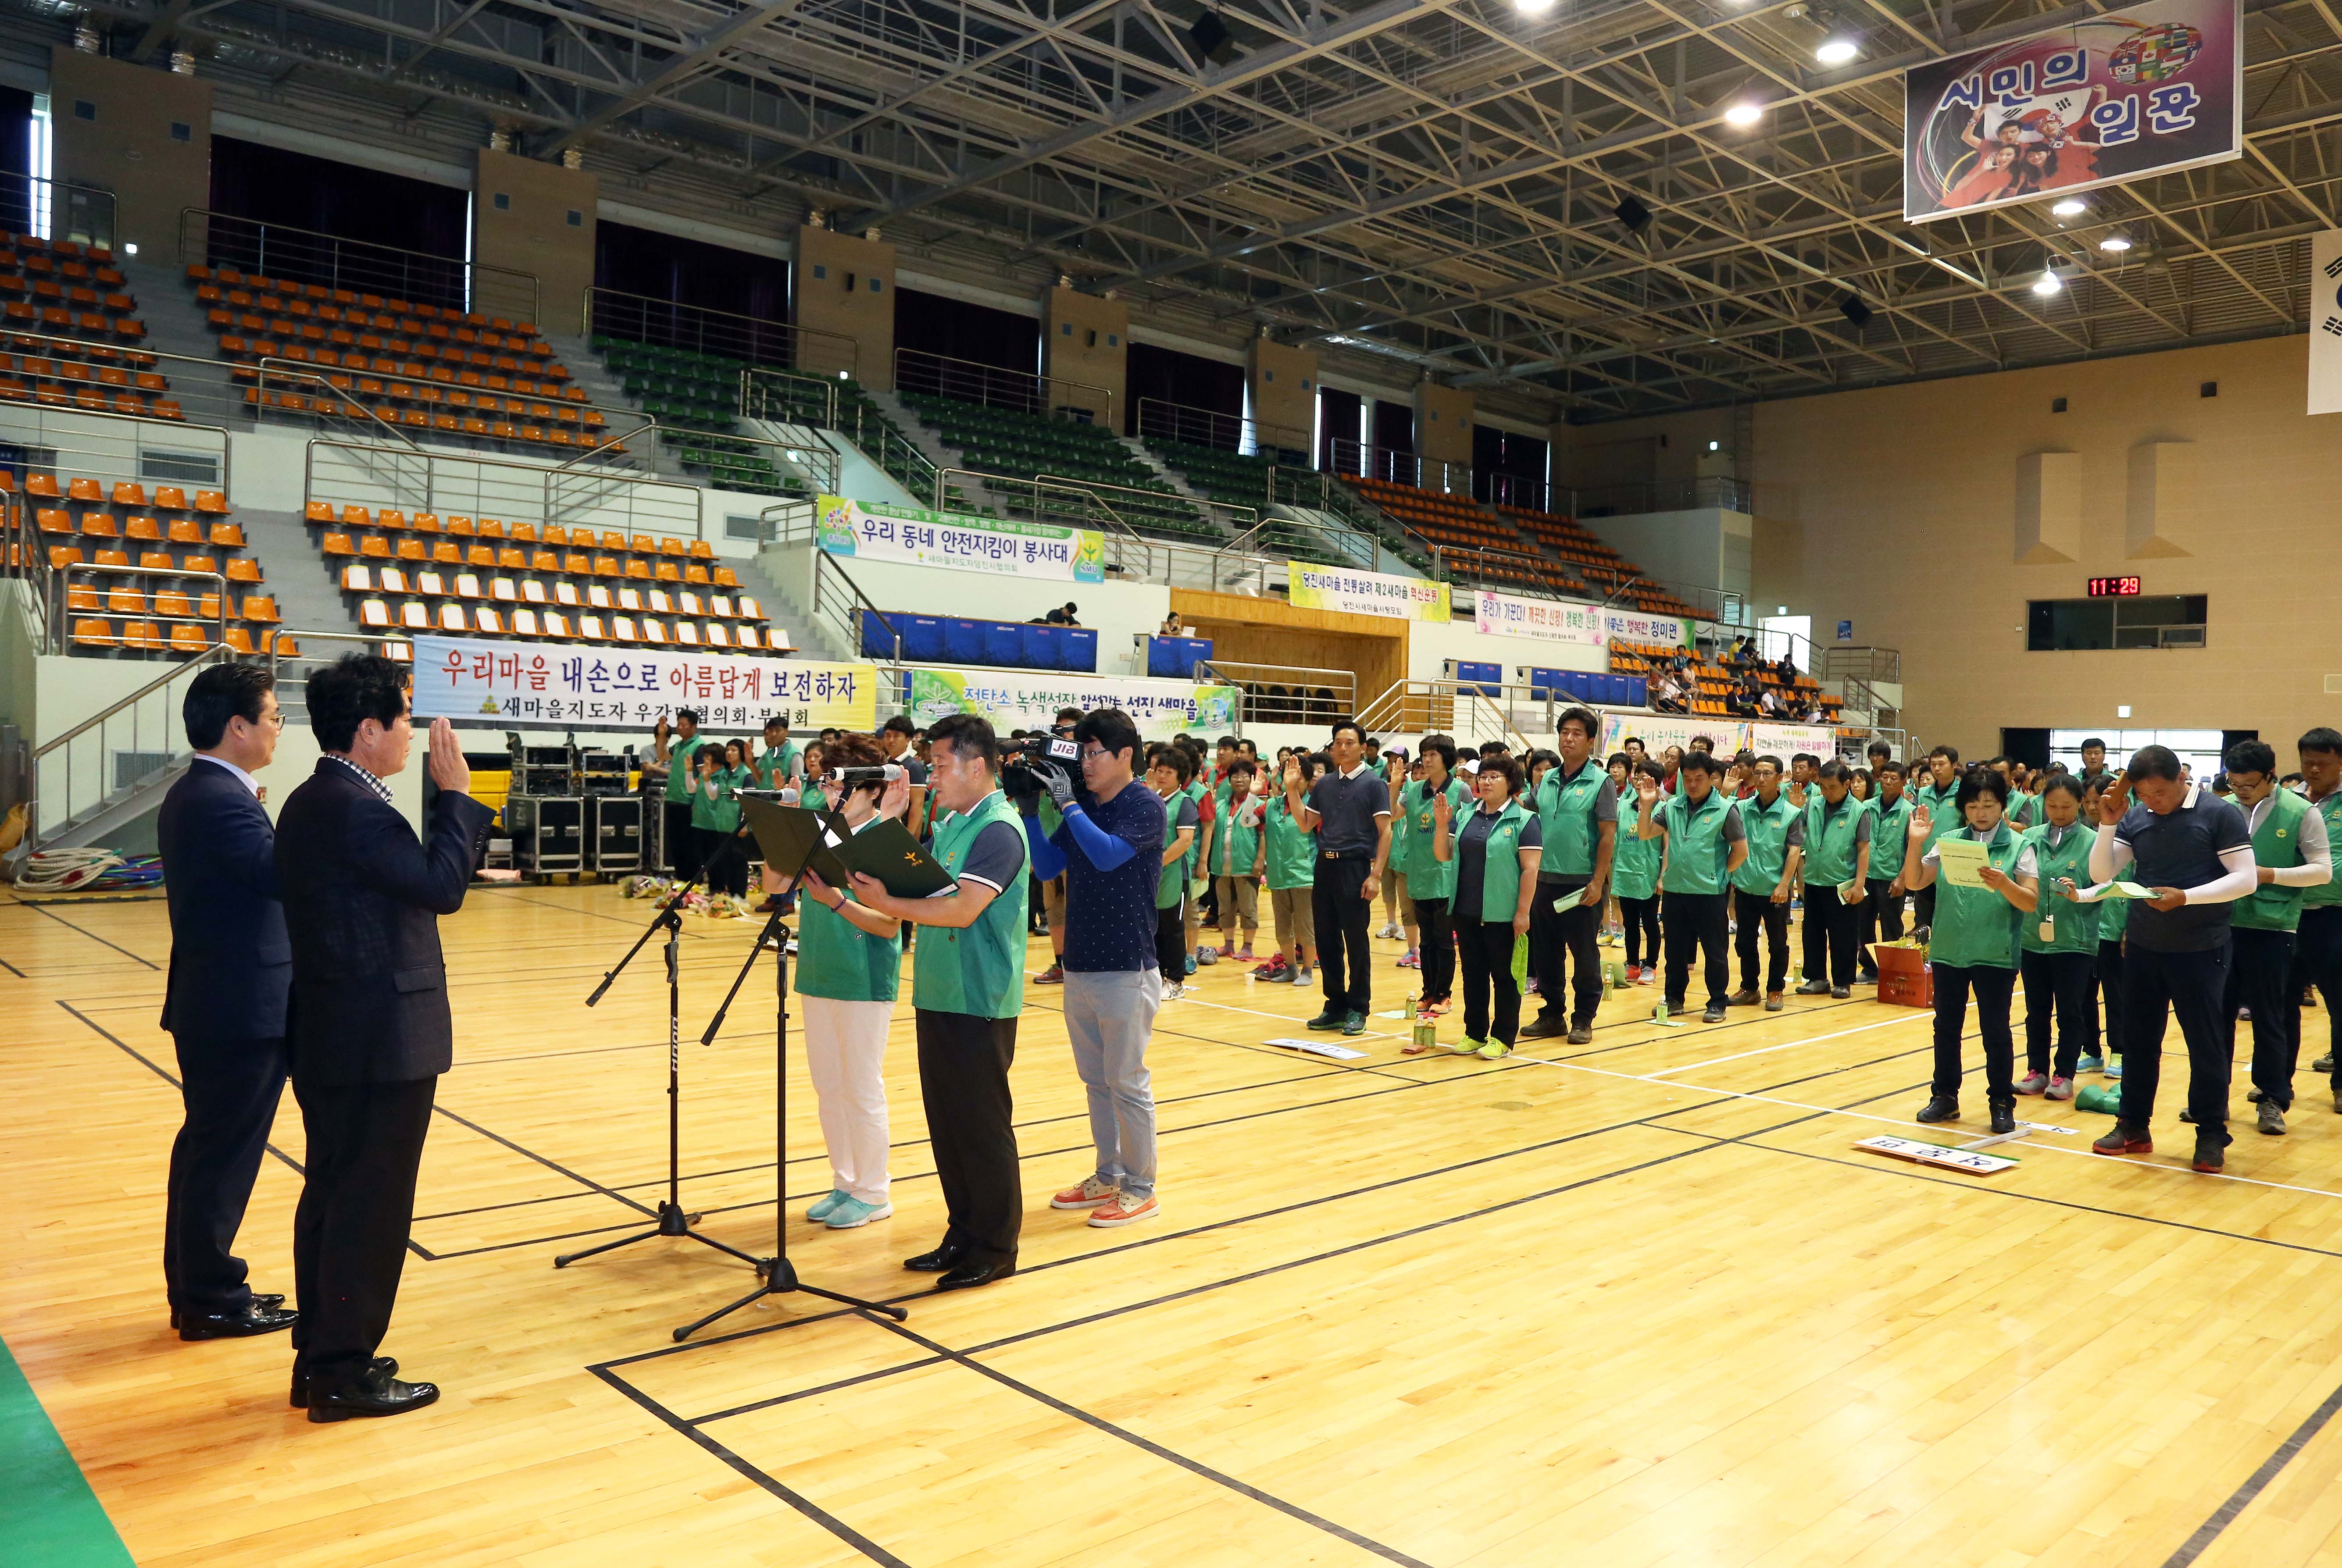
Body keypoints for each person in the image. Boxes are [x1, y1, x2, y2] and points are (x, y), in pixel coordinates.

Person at [275, 655, 493, 1420]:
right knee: (371, 1204)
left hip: (337, 1030)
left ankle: (324, 1351)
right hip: (378, 1038)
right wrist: (459, 797)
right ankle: (343, 1369)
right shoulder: (358, 808)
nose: (411, 735)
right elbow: (441, 887)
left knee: (335, 1194)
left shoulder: (312, 799)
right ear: (369, 731)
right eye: (403, 720)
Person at [848, 713, 1028, 1291]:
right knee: (948, 1125)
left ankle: (996, 1247)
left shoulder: (999, 829)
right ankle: (963, 1232)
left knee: (981, 1127)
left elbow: (960, 909)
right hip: (940, 991)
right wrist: (894, 819)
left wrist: (890, 905)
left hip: (979, 998)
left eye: (943, 764)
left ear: (978, 766)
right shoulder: (954, 822)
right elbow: (912, 880)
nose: (934, 774)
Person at [156, 663, 298, 1344]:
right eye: (272, 716)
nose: (278, 727)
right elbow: (277, 875)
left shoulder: (209, 792)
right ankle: (210, 1295)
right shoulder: (218, 799)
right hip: (237, 1007)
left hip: (219, 1000)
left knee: (208, 1150)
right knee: (222, 1156)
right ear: (237, 727)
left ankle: (199, 1286)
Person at [1021, 708, 1171, 1229]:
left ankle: (1142, 1186)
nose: (1083, 764)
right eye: (1080, 753)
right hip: (1081, 964)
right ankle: (1108, 1174)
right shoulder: (1084, 806)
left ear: (1125, 755)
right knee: (1096, 1082)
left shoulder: (1144, 806)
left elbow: (1108, 857)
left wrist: (1068, 804)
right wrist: (1026, 810)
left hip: (1127, 965)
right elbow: (1047, 866)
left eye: (1092, 753)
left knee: (1126, 1081)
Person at [2088, 746, 2260, 1172]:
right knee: (2140, 1041)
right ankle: (2133, 1125)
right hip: (2145, 947)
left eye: (2160, 793)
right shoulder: (2137, 816)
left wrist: (2187, 898)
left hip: (2202, 949)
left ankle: (2210, 1135)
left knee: (2206, 1045)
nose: (2153, 803)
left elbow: (2246, 879)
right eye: (2145, 795)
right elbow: (2101, 876)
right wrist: (2108, 826)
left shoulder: (2219, 815)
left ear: (2182, 778)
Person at [766, 735, 908, 1230]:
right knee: (829, 1087)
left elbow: (891, 923)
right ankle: (845, 1181)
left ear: (871, 789)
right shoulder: (820, 830)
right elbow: (772, 886)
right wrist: (778, 834)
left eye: (840, 781)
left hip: (864, 977)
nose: (829, 789)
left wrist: (836, 902)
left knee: (861, 1087)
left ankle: (873, 1191)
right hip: (818, 971)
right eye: (826, 779)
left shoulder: (884, 837)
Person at [1900, 766, 2038, 1135]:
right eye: (1974, 804)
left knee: (1996, 1030)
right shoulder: (1949, 841)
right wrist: (1916, 842)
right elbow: (1914, 881)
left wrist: (2005, 883)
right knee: (1946, 1027)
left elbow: (2029, 902)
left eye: (1990, 804)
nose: (1981, 812)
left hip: (1995, 953)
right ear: (1964, 808)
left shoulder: (2019, 846)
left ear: (2002, 807)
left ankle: (2001, 1102)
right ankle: (1945, 1096)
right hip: (1948, 951)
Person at [2222, 739, 2332, 1134]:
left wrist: (2270, 874)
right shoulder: (2225, 809)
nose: (2241, 791)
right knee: (2218, 1018)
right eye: (2234, 783)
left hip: (2273, 928)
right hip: (2223, 927)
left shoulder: (2302, 812)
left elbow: (2322, 872)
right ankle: (2213, 1099)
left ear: (2271, 776)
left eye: (2249, 784)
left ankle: (2272, 1099)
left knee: (2270, 1018)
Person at [1431, 753, 1541, 1058]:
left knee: (1506, 979)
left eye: (1495, 777)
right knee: (1474, 976)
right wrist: (1442, 825)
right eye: (1483, 777)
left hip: (1503, 915)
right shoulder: (1466, 814)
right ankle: (1475, 1033)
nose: (1487, 782)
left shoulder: (1525, 820)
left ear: (1511, 783)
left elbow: (1531, 869)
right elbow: (1443, 855)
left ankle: (1503, 1038)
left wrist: (1523, 912)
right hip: (1466, 911)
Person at [1289, 718, 1392, 1037]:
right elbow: (1306, 824)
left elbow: (1385, 831)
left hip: (1355, 867)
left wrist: (1375, 875)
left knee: (1356, 941)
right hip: (1325, 866)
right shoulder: (1326, 785)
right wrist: (1293, 789)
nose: (1342, 748)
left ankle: (1359, 1008)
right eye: (1338, 743)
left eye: (1349, 743)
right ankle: (1334, 1005)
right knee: (1327, 939)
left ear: (1363, 747)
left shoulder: (1374, 784)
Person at [1521, 706, 1617, 1044]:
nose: (1569, 738)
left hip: (1581, 885)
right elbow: (1523, 811)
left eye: (1577, 733)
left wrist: (1597, 881)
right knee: (1546, 953)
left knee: (1584, 955)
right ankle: (1552, 1015)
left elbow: (1608, 835)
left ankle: (1583, 1019)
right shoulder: (1546, 779)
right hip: (1545, 881)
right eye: (1564, 732)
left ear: (1590, 741)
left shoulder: (1601, 782)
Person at [1633, 751, 1747, 1022]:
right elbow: (1646, 833)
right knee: (1674, 950)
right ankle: (1674, 999)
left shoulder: (1725, 810)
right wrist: (1647, 805)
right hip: (1675, 891)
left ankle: (1718, 1001)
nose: (1693, 784)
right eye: (1688, 778)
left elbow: (1741, 851)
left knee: (1714, 952)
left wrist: (1717, 873)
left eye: (1699, 779)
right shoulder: (1671, 807)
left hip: (1710, 893)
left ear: (1711, 779)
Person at [2015, 775, 2099, 1101]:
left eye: (2066, 806)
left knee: (2070, 1011)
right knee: (2036, 1010)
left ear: (2080, 804)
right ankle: (2037, 1070)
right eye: (2052, 806)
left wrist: (2081, 892)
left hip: (2074, 940)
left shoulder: (2093, 842)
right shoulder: (2029, 838)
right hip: (2032, 937)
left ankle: (2065, 1073)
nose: (2059, 812)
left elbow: (2105, 888)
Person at [1395, 737, 1470, 1022]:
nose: (1427, 760)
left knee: (1443, 940)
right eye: (1424, 755)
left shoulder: (1461, 790)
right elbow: (1392, 815)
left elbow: (1470, 826)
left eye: (1433, 755)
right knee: (1425, 941)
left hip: (1446, 875)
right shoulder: (1413, 789)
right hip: (1419, 872)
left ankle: (1444, 994)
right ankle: (1428, 992)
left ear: (1446, 758)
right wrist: (1393, 787)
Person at [1725, 755, 1802, 1012]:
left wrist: (1784, 886)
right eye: (1758, 773)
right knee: (1745, 942)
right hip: (1746, 887)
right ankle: (1749, 988)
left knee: (1777, 943)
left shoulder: (1791, 813)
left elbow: (1793, 852)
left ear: (1780, 778)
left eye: (1768, 774)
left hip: (1775, 891)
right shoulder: (1741, 807)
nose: (1761, 778)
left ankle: (1776, 989)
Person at [2292, 731, 2342, 1105]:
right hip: (2288, 916)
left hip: (2334, 918)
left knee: (2339, 1003)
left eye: (2322, 763)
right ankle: (2276, 1085)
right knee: (2278, 1004)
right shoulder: (2292, 803)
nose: (2313, 769)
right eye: (2307, 761)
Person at [1796, 760, 1872, 998]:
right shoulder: (1813, 805)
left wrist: (1859, 885)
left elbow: (1863, 849)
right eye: (1823, 787)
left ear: (1847, 784)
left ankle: (1842, 981)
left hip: (1842, 883)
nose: (1826, 792)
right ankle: (1817, 978)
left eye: (1832, 787)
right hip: (1814, 881)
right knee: (1812, 933)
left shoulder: (1859, 811)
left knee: (1844, 935)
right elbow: (1799, 836)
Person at [1257, 752, 1321, 987]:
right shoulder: (1272, 805)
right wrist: (1254, 794)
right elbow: (1247, 822)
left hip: (1304, 876)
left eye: (1299, 777)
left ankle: (1308, 970)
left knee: (1306, 929)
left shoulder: (1314, 807)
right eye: (1288, 775)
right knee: (1283, 929)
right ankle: (1291, 968)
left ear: (1308, 780)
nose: (1293, 780)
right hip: (1277, 876)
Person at [1145, 746, 1201, 1000]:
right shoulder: (1151, 799)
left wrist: (1159, 863)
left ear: (1180, 777)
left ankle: (1176, 981)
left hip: (1173, 877)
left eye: (1170, 772)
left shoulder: (1184, 803)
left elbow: (1185, 840)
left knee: (1172, 930)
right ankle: (1155, 978)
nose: (1163, 776)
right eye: (1160, 770)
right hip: (1149, 877)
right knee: (1152, 929)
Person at [1858, 760, 1914, 979]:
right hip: (1866, 875)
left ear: (1903, 782)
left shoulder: (1909, 812)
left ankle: (1894, 970)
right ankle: (1870, 968)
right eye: (1885, 777)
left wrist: (1902, 878)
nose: (1888, 782)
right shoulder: (1866, 807)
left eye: (1894, 778)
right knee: (1864, 924)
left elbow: (1912, 849)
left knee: (1892, 926)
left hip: (1892, 876)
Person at [1613, 760, 1666, 983]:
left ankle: (1651, 965)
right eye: (1638, 777)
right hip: (1625, 873)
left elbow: (1668, 846)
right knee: (1630, 922)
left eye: (1646, 778)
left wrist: (1662, 876)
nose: (1640, 781)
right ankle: (1633, 964)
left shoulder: (1663, 808)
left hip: (1649, 874)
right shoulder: (1623, 806)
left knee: (1651, 923)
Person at [1208, 759, 1266, 961]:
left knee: (1248, 908)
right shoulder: (1220, 805)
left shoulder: (1260, 806)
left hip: (1247, 865)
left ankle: (1248, 947)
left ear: (1252, 780)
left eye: (1244, 776)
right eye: (1235, 776)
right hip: (1221, 865)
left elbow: (1263, 835)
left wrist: (1260, 859)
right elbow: (1211, 832)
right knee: (1225, 907)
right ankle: (1228, 945)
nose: (1239, 780)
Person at [692, 739, 753, 897]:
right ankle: (730, 892)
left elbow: (750, 801)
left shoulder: (746, 775)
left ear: (741, 754)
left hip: (737, 825)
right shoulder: (725, 774)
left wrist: (744, 824)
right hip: (723, 824)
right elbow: (714, 796)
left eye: (733, 750)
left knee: (739, 861)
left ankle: (740, 894)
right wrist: (706, 779)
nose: (729, 753)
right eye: (728, 750)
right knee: (726, 860)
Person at [1911, 745, 1962, 931]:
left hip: (1951, 864)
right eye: (1934, 764)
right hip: (1926, 861)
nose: (1937, 769)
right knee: (1922, 921)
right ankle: (1922, 958)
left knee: (1947, 918)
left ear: (1954, 765)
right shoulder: (1923, 792)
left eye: (1942, 764)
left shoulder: (1963, 792)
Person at [653, 708, 703, 882]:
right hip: (674, 800)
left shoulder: (699, 747)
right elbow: (661, 755)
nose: (680, 728)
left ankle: (693, 882)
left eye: (684, 725)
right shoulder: (680, 745)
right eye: (679, 725)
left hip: (689, 802)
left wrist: (698, 802)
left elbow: (703, 777)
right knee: (677, 844)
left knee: (690, 845)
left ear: (694, 727)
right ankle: (682, 881)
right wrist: (661, 735)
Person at [755, 716, 803, 794]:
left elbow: (798, 786)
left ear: (787, 732)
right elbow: (759, 779)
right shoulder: (768, 753)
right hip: (764, 801)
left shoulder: (795, 755)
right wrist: (749, 761)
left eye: (778, 731)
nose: (774, 734)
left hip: (782, 802)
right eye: (771, 731)